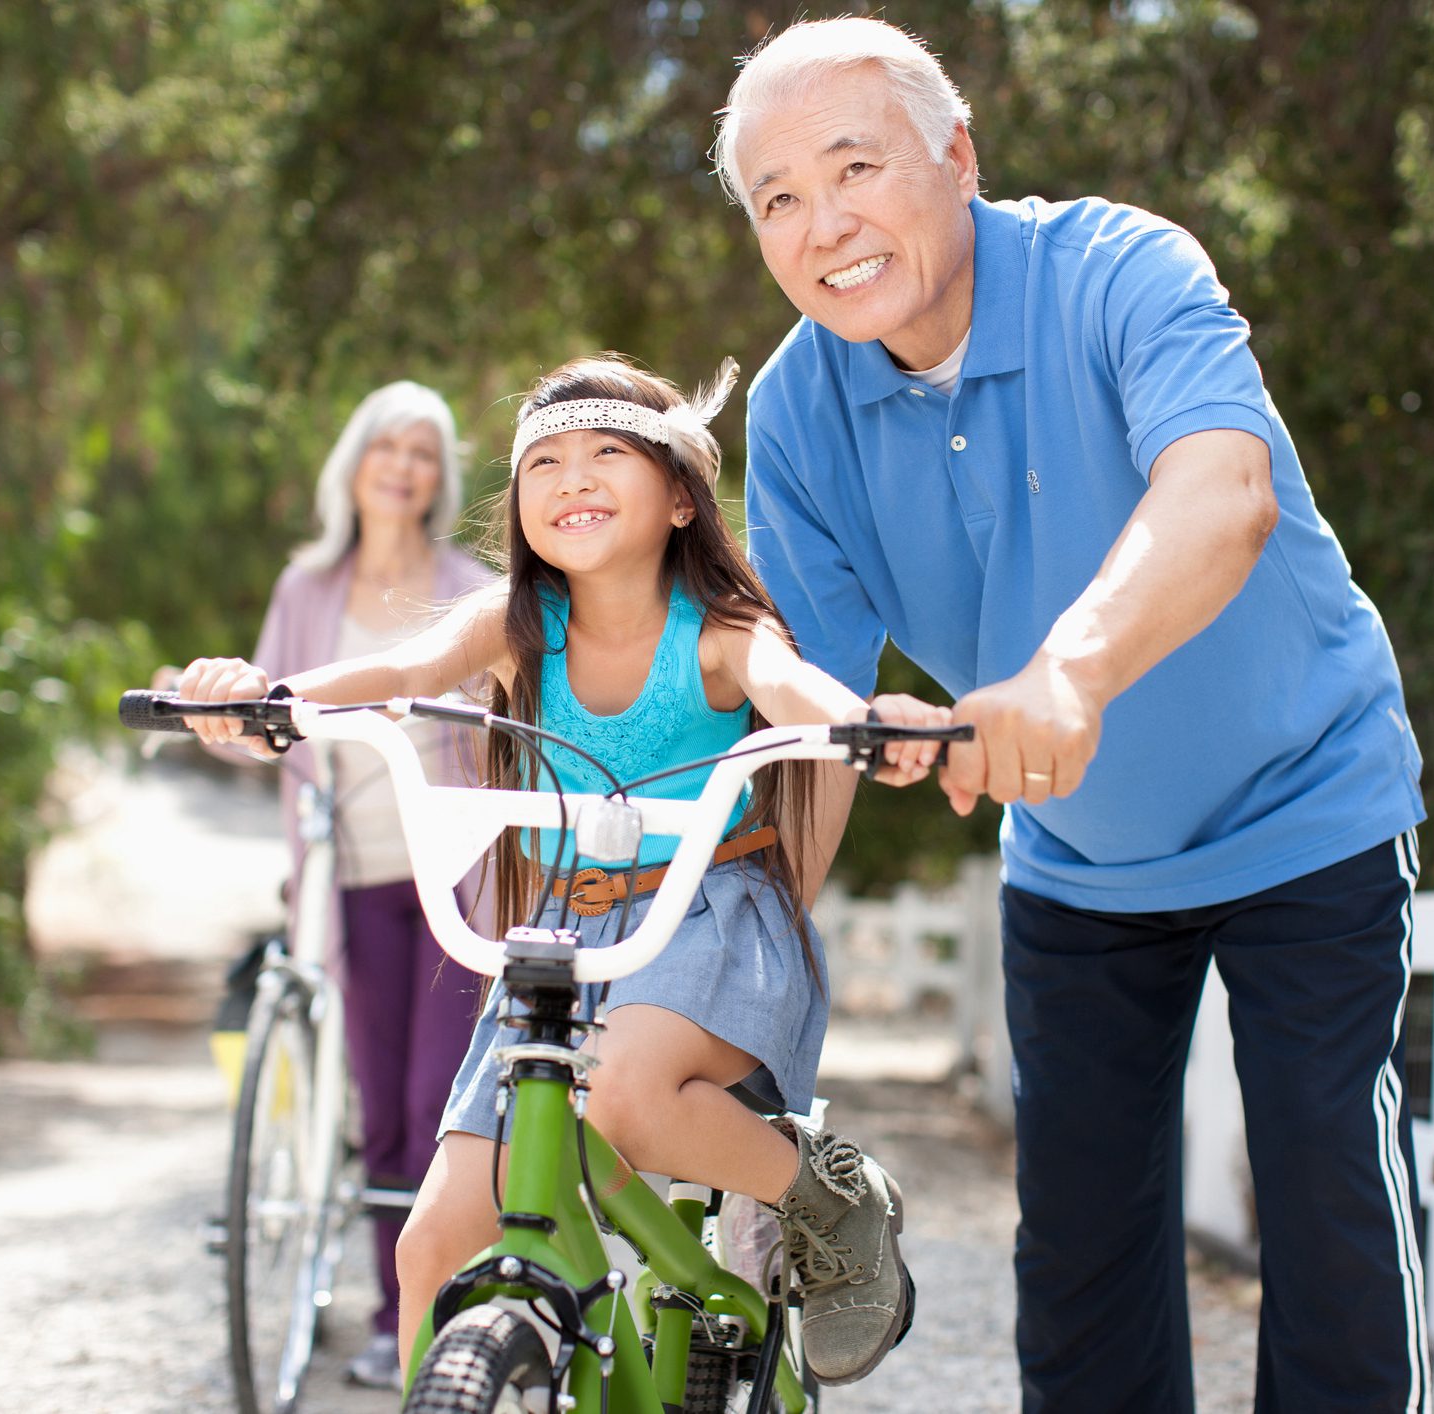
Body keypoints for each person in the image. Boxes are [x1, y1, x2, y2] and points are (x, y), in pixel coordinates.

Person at [713, 19, 1431, 1413]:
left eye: (853, 166)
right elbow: (804, 710)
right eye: (777, 199)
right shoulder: (800, 407)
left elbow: (1222, 493)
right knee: (1082, 1260)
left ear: (958, 153)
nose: (822, 224)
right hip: (1079, 860)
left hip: (1305, 804)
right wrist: (729, 963)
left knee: (1322, 1181)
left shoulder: (1121, 270)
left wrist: (1066, 673)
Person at [173, 353, 951, 1388]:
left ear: (681, 495)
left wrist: (865, 727)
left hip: (704, 915)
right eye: (543, 462)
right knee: (432, 1244)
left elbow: (793, 685)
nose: (571, 477)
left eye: (606, 454)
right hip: (559, 936)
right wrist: (271, 695)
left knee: (622, 1099)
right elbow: (403, 674)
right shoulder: (516, 623)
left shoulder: (720, 631)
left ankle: (828, 1199)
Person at [160, 380, 493, 1389]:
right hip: (346, 878)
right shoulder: (307, 590)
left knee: (443, 1097)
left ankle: (446, 1307)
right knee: (379, 1107)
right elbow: (268, 725)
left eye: (423, 452)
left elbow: (507, 719)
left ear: (439, 478)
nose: (402, 465)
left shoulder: (470, 583)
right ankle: (397, 1316)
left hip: (454, 878)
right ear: (354, 465)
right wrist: (213, 708)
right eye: (386, 447)